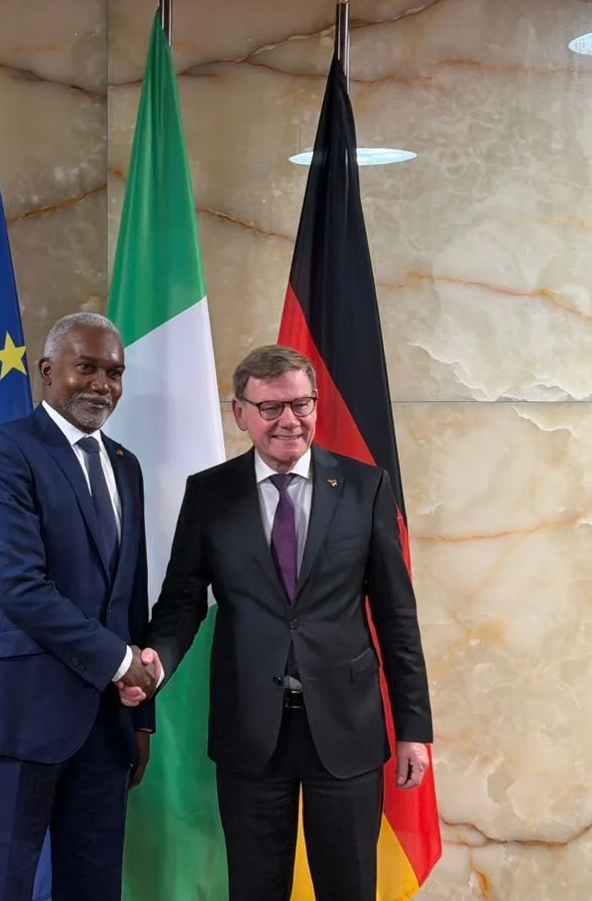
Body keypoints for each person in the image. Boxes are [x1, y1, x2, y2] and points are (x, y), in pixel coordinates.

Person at [127, 343, 432, 901]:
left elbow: (396, 616)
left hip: (346, 728)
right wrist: (157, 660)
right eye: (271, 408)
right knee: (255, 889)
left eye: (301, 404)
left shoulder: (365, 487)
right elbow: (181, 602)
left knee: (350, 888)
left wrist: (414, 727)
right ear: (240, 413)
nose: (289, 420)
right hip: (250, 729)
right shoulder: (210, 494)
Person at [0, 312, 159, 901]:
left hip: (107, 724)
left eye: (114, 373)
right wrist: (122, 663)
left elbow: (130, 593)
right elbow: (20, 587)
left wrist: (140, 715)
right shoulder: (4, 451)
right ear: (47, 372)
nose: (102, 385)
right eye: (86, 368)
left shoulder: (126, 464)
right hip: (19, 713)